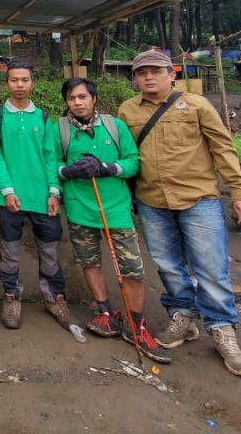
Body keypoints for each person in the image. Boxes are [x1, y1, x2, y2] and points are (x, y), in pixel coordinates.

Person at [118, 49, 241, 377]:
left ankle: (223, 329)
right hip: (152, 200)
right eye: (142, 73)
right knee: (168, 265)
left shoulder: (197, 105)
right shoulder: (127, 110)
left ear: (172, 74)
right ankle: (182, 317)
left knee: (211, 267)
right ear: (135, 79)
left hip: (199, 198)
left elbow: (223, 149)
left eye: (156, 71)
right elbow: (125, 155)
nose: (149, 77)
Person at [49, 78, 169, 363]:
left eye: (82, 97)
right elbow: (51, 163)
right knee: (89, 261)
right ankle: (104, 311)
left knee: (131, 267)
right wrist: (68, 172)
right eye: (71, 98)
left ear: (93, 98)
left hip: (115, 208)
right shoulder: (60, 130)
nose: (77, 103)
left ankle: (136, 324)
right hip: (79, 207)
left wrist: (106, 168)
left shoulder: (114, 127)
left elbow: (133, 161)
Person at [0, 60, 74, 332]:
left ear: (32, 83)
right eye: (14, 80)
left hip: (42, 197)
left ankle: (53, 298)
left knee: (49, 251)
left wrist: (54, 191)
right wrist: (8, 190)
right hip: (9, 198)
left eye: (25, 80)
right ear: (7, 84)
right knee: (10, 252)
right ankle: (12, 297)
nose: (20, 85)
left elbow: (51, 157)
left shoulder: (44, 117)